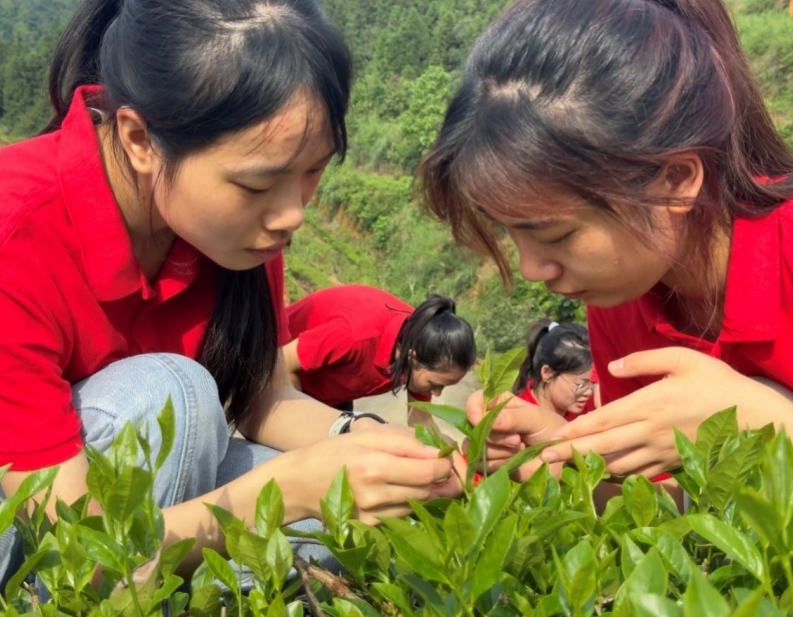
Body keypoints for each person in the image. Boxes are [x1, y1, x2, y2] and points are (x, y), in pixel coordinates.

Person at [0, 0, 463, 587]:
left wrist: (359, 441)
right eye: (258, 182)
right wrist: (291, 487)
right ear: (140, 139)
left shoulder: (232, 235)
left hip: (133, 506)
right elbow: (82, 546)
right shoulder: (15, 234)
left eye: (314, 171)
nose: (292, 214)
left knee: (346, 521)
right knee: (172, 396)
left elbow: (260, 392)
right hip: (45, 525)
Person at [418, 0, 793, 481]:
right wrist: (564, 454)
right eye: (511, 233)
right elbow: (676, 507)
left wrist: (758, 421)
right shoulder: (621, 296)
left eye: (557, 234)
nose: (530, 269)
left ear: (674, 180)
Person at [284, 285, 476, 430]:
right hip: (276, 370)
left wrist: (456, 460)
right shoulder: (354, 334)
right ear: (412, 357)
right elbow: (283, 363)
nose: (437, 393)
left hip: (328, 389)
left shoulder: (423, 342)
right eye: (436, 384)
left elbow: (420, 421)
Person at [513, 320, 594, 421]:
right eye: (580, 385)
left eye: (592, 383)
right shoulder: (518, 419)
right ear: (547, 373)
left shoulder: (589, 407)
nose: (589, 392)